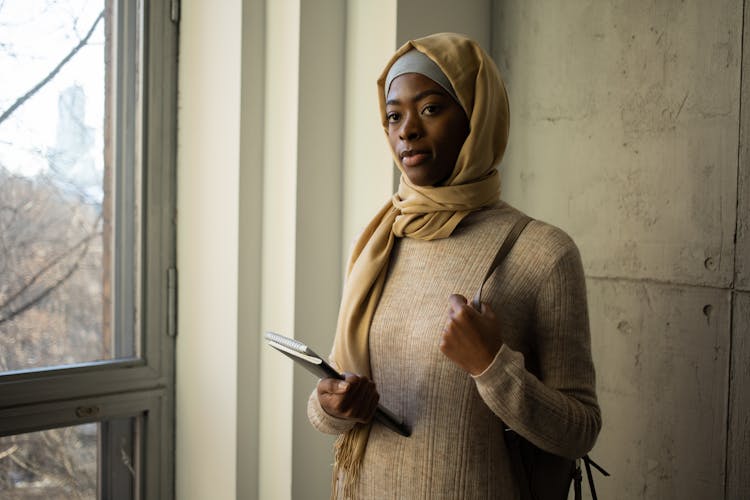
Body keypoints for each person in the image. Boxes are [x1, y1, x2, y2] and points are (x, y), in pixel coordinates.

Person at [307, 32, 601, 499]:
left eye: (430, 108)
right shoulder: (380, 240)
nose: (408, 130)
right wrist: (332, 406)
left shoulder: (542, 252)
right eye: (394, 116)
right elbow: (335, 392)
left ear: (476, 116)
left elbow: (580, 430)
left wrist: (491, 367)